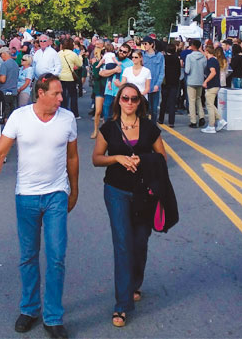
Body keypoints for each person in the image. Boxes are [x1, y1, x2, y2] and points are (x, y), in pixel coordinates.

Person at [0, 73, 78, 339]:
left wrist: (74, 189)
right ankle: (30, 309)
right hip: (26, 196)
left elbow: (72, 157)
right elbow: (0, 153)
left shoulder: (67, 119)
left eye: (61, 93)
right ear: (41, 93)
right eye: (56, 94)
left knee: (56, 257)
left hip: (56, 194)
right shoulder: (19, 117)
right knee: (28, 256)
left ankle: (53, 317)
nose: (61, 98)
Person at [91, 83, 169, 327]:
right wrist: (117, 158)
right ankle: (122, 305)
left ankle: (134, 283)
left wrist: (142, 160)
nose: (130, 103)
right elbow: (96, 159)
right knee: (123, 245)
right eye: (125, 98)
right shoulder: (109, 128)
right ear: (119, 101)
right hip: (116, 191)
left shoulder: (149, 128)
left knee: (140, 242)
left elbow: (162, 158)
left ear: (139, 102)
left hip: (144, 193)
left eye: (134, 99)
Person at [200, 45, 227, 134]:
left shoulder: (211, 61)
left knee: (209, 106)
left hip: (211, 85)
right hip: (215, 85)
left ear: (207, 52)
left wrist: (205, 81)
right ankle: (220, 120)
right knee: (211, 104)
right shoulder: (215, 60)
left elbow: (213, 72)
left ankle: (211, 126)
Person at [184, 40, 207, 128]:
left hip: (191, 80)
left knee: (191, 101)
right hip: (200, 80)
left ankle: (193, 120)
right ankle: (201, 117)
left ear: (193, 46)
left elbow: (187, 70)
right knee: (198, 98)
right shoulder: (203, 56)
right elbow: (205, 67)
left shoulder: (189, 57)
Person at [158, 43, 182, 127]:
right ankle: (171, 121)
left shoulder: (164, 58)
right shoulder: (176, 59)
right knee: (172, 102)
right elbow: (179, 71)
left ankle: (161, 119)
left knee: (163, 101)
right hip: (174, 82)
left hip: (165, 82)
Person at [141, 37, 165, 119]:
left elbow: (162, 72)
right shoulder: (142, 55)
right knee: (145, 109)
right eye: (143, 44)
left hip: (154, 86)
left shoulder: (159, 56)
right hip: (144, 86)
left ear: (151, 44)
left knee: (154, 109)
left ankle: (153, 125)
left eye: (146, 44)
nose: (144, 46)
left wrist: (158, 84)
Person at [0, 49, 21, 120]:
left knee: (6, 114)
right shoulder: (15, 64)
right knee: (13, 114)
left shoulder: (4, 64)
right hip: (14, 91)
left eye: (1, 55)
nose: (1, 57)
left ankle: (7, 126)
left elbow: (2, 80)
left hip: (5, 91)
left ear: (4, 54)